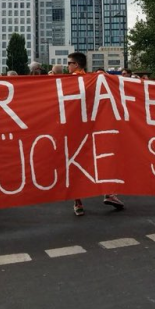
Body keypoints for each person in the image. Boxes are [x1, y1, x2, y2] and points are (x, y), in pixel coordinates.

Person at [67, 52, 125, 216]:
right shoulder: (92, 79)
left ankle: (78, 201)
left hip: (77, 128)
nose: (67, 66)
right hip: (95, 125)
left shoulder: (72, 81)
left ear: (76, 64)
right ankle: (109, 192)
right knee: (102, 158)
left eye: (69, 63)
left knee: (78, 163)